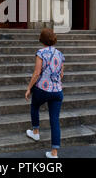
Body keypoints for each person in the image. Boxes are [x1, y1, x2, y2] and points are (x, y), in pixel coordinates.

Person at [25, 28, 65, 159]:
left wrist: (29, 88)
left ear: (42, 39)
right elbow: (61, 74)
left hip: (43, 89)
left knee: (35, 106)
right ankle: (54, 153)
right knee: (55, 121)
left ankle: (35, 131)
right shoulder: (60, 54)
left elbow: (37, 73)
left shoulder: (40, 52)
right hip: (57, 91)